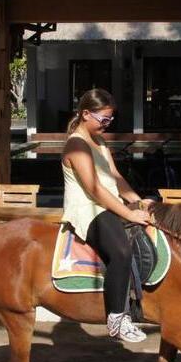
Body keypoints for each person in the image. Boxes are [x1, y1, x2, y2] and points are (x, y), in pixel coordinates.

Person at [61, 89, 152, 343]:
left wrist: (137, 200)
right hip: (88, 209)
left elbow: (115, 178)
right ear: (86, 113)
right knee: (121, 252)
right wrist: (128, 214)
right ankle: (116, 318)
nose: (107, 125)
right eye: (104, 119)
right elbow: (94, 189)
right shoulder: (76, 144)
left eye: (111, 120)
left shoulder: (99, 143)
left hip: (108, 204)